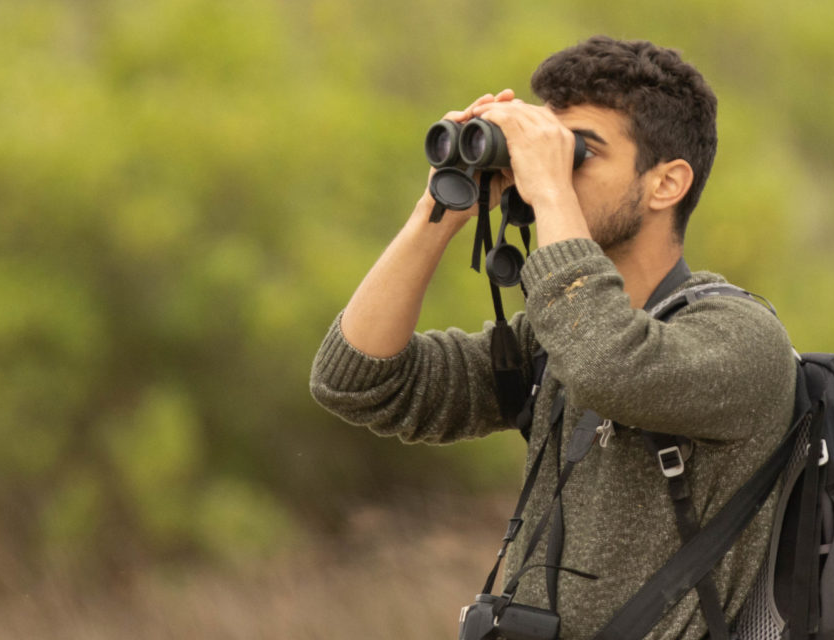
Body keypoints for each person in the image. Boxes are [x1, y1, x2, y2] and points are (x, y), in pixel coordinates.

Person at [309, 36, 796, 639]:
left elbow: (608, 363)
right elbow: (359, 380)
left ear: (666, 183)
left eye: (579, 153)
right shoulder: (558, 336)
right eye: (547, 148)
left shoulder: (740, 339)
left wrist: (549, 189)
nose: (547, 172)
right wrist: (442, 204)